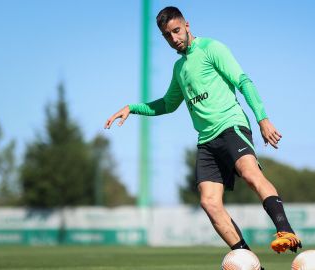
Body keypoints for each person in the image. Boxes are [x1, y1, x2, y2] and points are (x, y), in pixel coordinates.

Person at [105, 6, 302, 255]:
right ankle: (247, 260)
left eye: (176, 31)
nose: (174, 39)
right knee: (208, 202)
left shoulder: (211, 48)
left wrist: (263, 119)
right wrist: (131, 108)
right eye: (167, 35)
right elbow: (167, 104)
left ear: (187, 25)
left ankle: (285, 230)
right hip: (206, 140)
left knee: (250, 173)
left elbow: (243, 81)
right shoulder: (179, 69)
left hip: (231, 126)